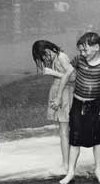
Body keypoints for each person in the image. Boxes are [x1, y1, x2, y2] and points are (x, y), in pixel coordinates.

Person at [53, 32, 100, 184]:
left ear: (96, 47)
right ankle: (70, 173)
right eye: (80, 50)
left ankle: (98, 171)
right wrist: (59, 96)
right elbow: (66, 75)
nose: (82, 53)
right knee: (75, 139)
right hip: (78, 103)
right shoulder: (79, 60)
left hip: (96, 104)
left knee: (98, 140)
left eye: (85, 50)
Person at [32, 40, 75, 174]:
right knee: (63, 131)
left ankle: (67, 165)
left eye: (44, 55)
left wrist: (53, 73)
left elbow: (73, 76)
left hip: (65, 94)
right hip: (58, 92)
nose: (44, 58)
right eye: (42, 57)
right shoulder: (55, 58)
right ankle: (66, 163)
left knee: (64, 131)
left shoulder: (61, 57)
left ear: (49, 49)